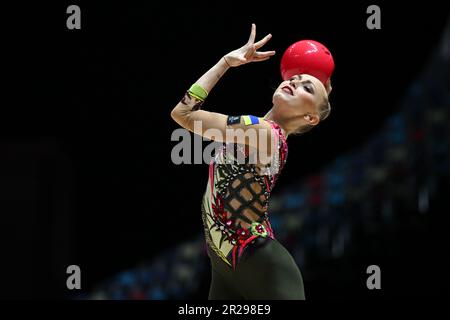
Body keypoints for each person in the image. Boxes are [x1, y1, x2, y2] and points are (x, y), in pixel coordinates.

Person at [171, 24, 331, 300]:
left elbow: (183, 113)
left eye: (307, 86)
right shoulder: (257, 134)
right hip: (224, 266)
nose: (294, 82)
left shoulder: (264, 133)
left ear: (310, 118)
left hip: (262, 264)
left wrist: (225, 63)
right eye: (296, 77)